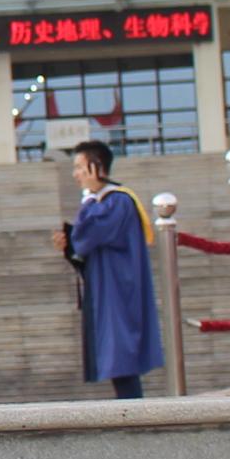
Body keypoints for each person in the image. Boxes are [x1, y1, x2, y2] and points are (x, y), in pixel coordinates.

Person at [61, 139, 162, 401]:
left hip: (118, 289)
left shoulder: (116, 201)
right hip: (108, 284)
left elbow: (86, 235)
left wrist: (87, 203)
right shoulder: (104, 202)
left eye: (80, 167)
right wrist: (67, 248)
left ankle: (134, 413)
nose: (76, 174)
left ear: (97, 167)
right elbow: (84, 248)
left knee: (122, 357)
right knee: (118, 359)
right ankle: (131, 410)